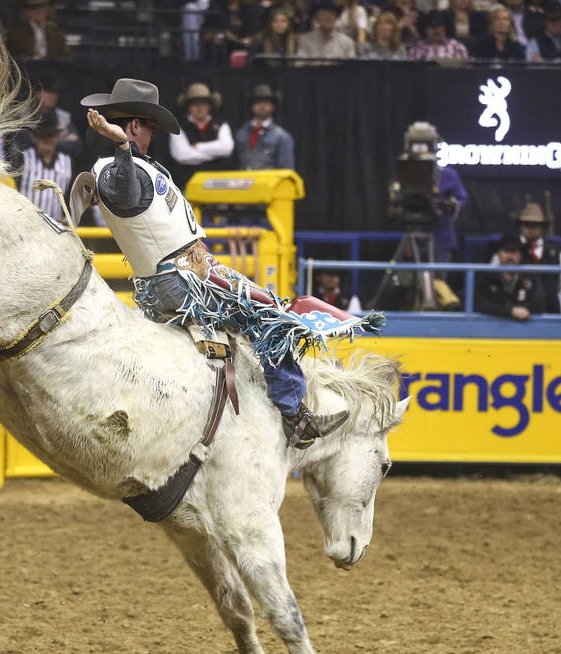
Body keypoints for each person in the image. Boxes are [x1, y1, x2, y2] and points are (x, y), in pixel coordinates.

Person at [82, 78, 369, 449]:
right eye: (149, 127)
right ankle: (296, 415)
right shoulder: (118, 170)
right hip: (183, 279)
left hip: (168, 279)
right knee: (271, 316)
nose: (152, 135)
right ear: (135, 126)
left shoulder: (123, 168)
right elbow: (125, 190)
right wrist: (121, 144)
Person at [168, 82, 234, 192]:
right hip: (189, 185)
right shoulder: (178, 128)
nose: (199, 108)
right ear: (188, 107)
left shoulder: (221, 124)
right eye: (195, 104)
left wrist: (198, 147)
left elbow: (227, 149)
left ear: (209, 106)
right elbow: (182, 155)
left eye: (203, 103)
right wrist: (216, 154)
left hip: (219, 186)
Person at [514, 200, 561, 313]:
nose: (531, 229)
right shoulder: (512, 251)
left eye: (535, 225)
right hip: (519, 317)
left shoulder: (556, 253)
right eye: (526, 225)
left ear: (542, 228)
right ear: (520, 227)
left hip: (551, 317)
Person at [17, 110, 72, 223]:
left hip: (55, 227)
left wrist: (69, 216)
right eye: (43, 137)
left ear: (57, 137)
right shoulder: (23, 158)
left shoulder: (66, 161)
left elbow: (70, 196)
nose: (47, 141)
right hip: (25, 223)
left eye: (51, 136)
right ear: (35, 138)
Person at [476, 233, 546, 320]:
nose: (509, 256)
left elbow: (539, 304)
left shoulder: (530, 277)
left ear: (520, 255)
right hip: (491, 331)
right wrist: (510, 311)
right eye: (506, 251)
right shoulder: (487, 277)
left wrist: (524, 310)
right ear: (498, 254)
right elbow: (478, 303)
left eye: (514, 251)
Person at [234, 84, 294, 171]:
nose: (262, 106)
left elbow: (287, 170)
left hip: (269, 183)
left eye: (266, 103)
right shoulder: (240, 134)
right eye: (258, 102)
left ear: (272, 107)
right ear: (252, 107)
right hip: (244, 182)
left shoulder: (282, 137)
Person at [5, 0, 70, 60]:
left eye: (42, 7)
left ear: (47, 9)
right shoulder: (16, 33)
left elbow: (65, 57)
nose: (39, 11)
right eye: (34, 8)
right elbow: (11, 56)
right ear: (27, 11)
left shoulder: (57, 34)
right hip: (26, 69)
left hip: (51, 69)